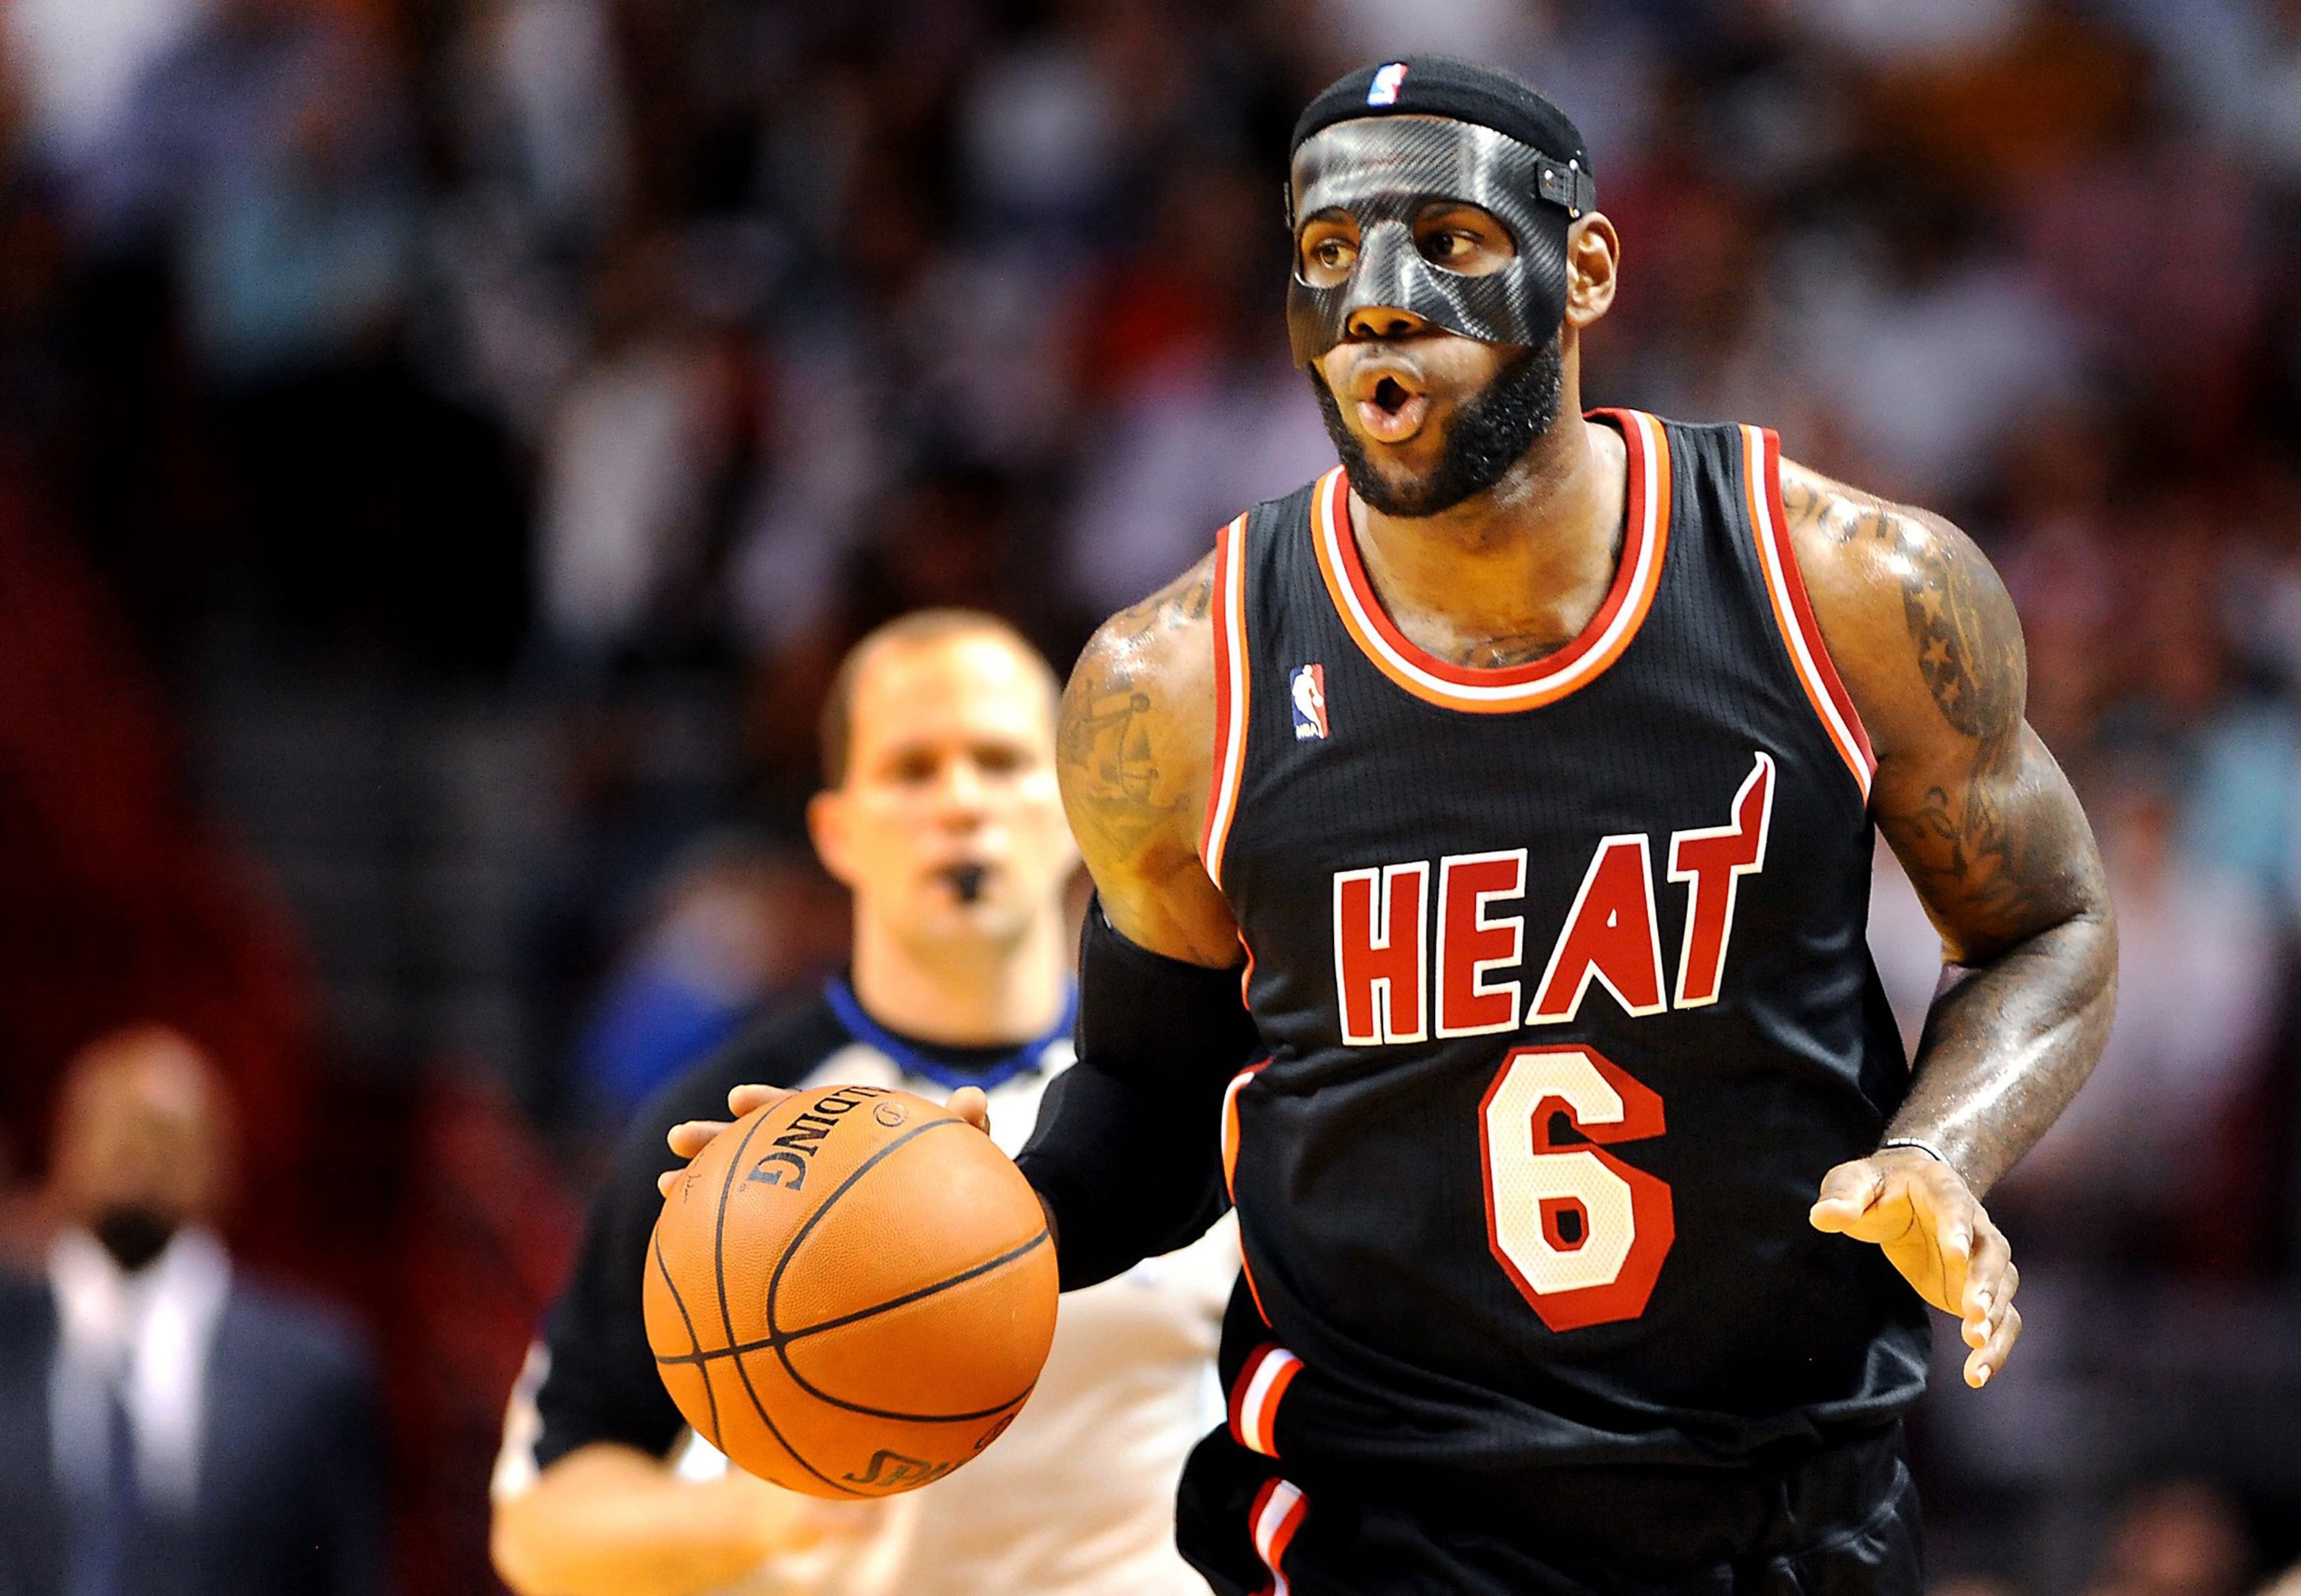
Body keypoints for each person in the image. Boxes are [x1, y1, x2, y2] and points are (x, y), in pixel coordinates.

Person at [673, 53, 2119, 1595]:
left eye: (1447, 240)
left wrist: (1940, 1150)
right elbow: (1151, 1099)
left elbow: (2046, 924)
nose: (1376, 298)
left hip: (1788, 1515)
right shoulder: (1176, 687)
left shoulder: (1845, 586)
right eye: (1326, 253)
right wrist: (979, 1216)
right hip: (1377, 1525)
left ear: (1586, 269)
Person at [490, 609, 1236, 1596]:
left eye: (1002, 762)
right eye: (912, 770)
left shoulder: (1191, 1101)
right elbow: (539, 1529)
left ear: (1074, 810)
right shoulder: (722, 1133)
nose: (961, 802)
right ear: (837, 832)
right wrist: (749, 1515)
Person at [0, 1025, 387, 1596]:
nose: (136, 1156)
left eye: (163, 1134)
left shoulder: (312, 1377)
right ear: (63, 1150)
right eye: (114, 1131)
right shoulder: (11, 1338)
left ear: (222, 1164)